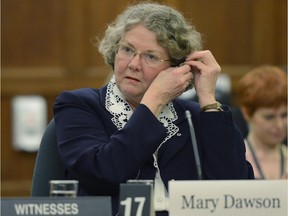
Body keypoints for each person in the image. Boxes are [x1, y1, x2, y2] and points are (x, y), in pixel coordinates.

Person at [53, 2, 254, 215]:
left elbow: (234, 191)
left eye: (150, 56)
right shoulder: (80, 105)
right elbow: (102, 175)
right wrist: (154, 100)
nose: (134, 64)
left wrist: (207, 98)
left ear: (177, 68)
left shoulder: (193, 116)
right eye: (128, 50)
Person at [235, 65, 287, 179]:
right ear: (247, 113)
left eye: (284, 115)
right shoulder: (234, 159)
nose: (279, 125)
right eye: (269, 117)